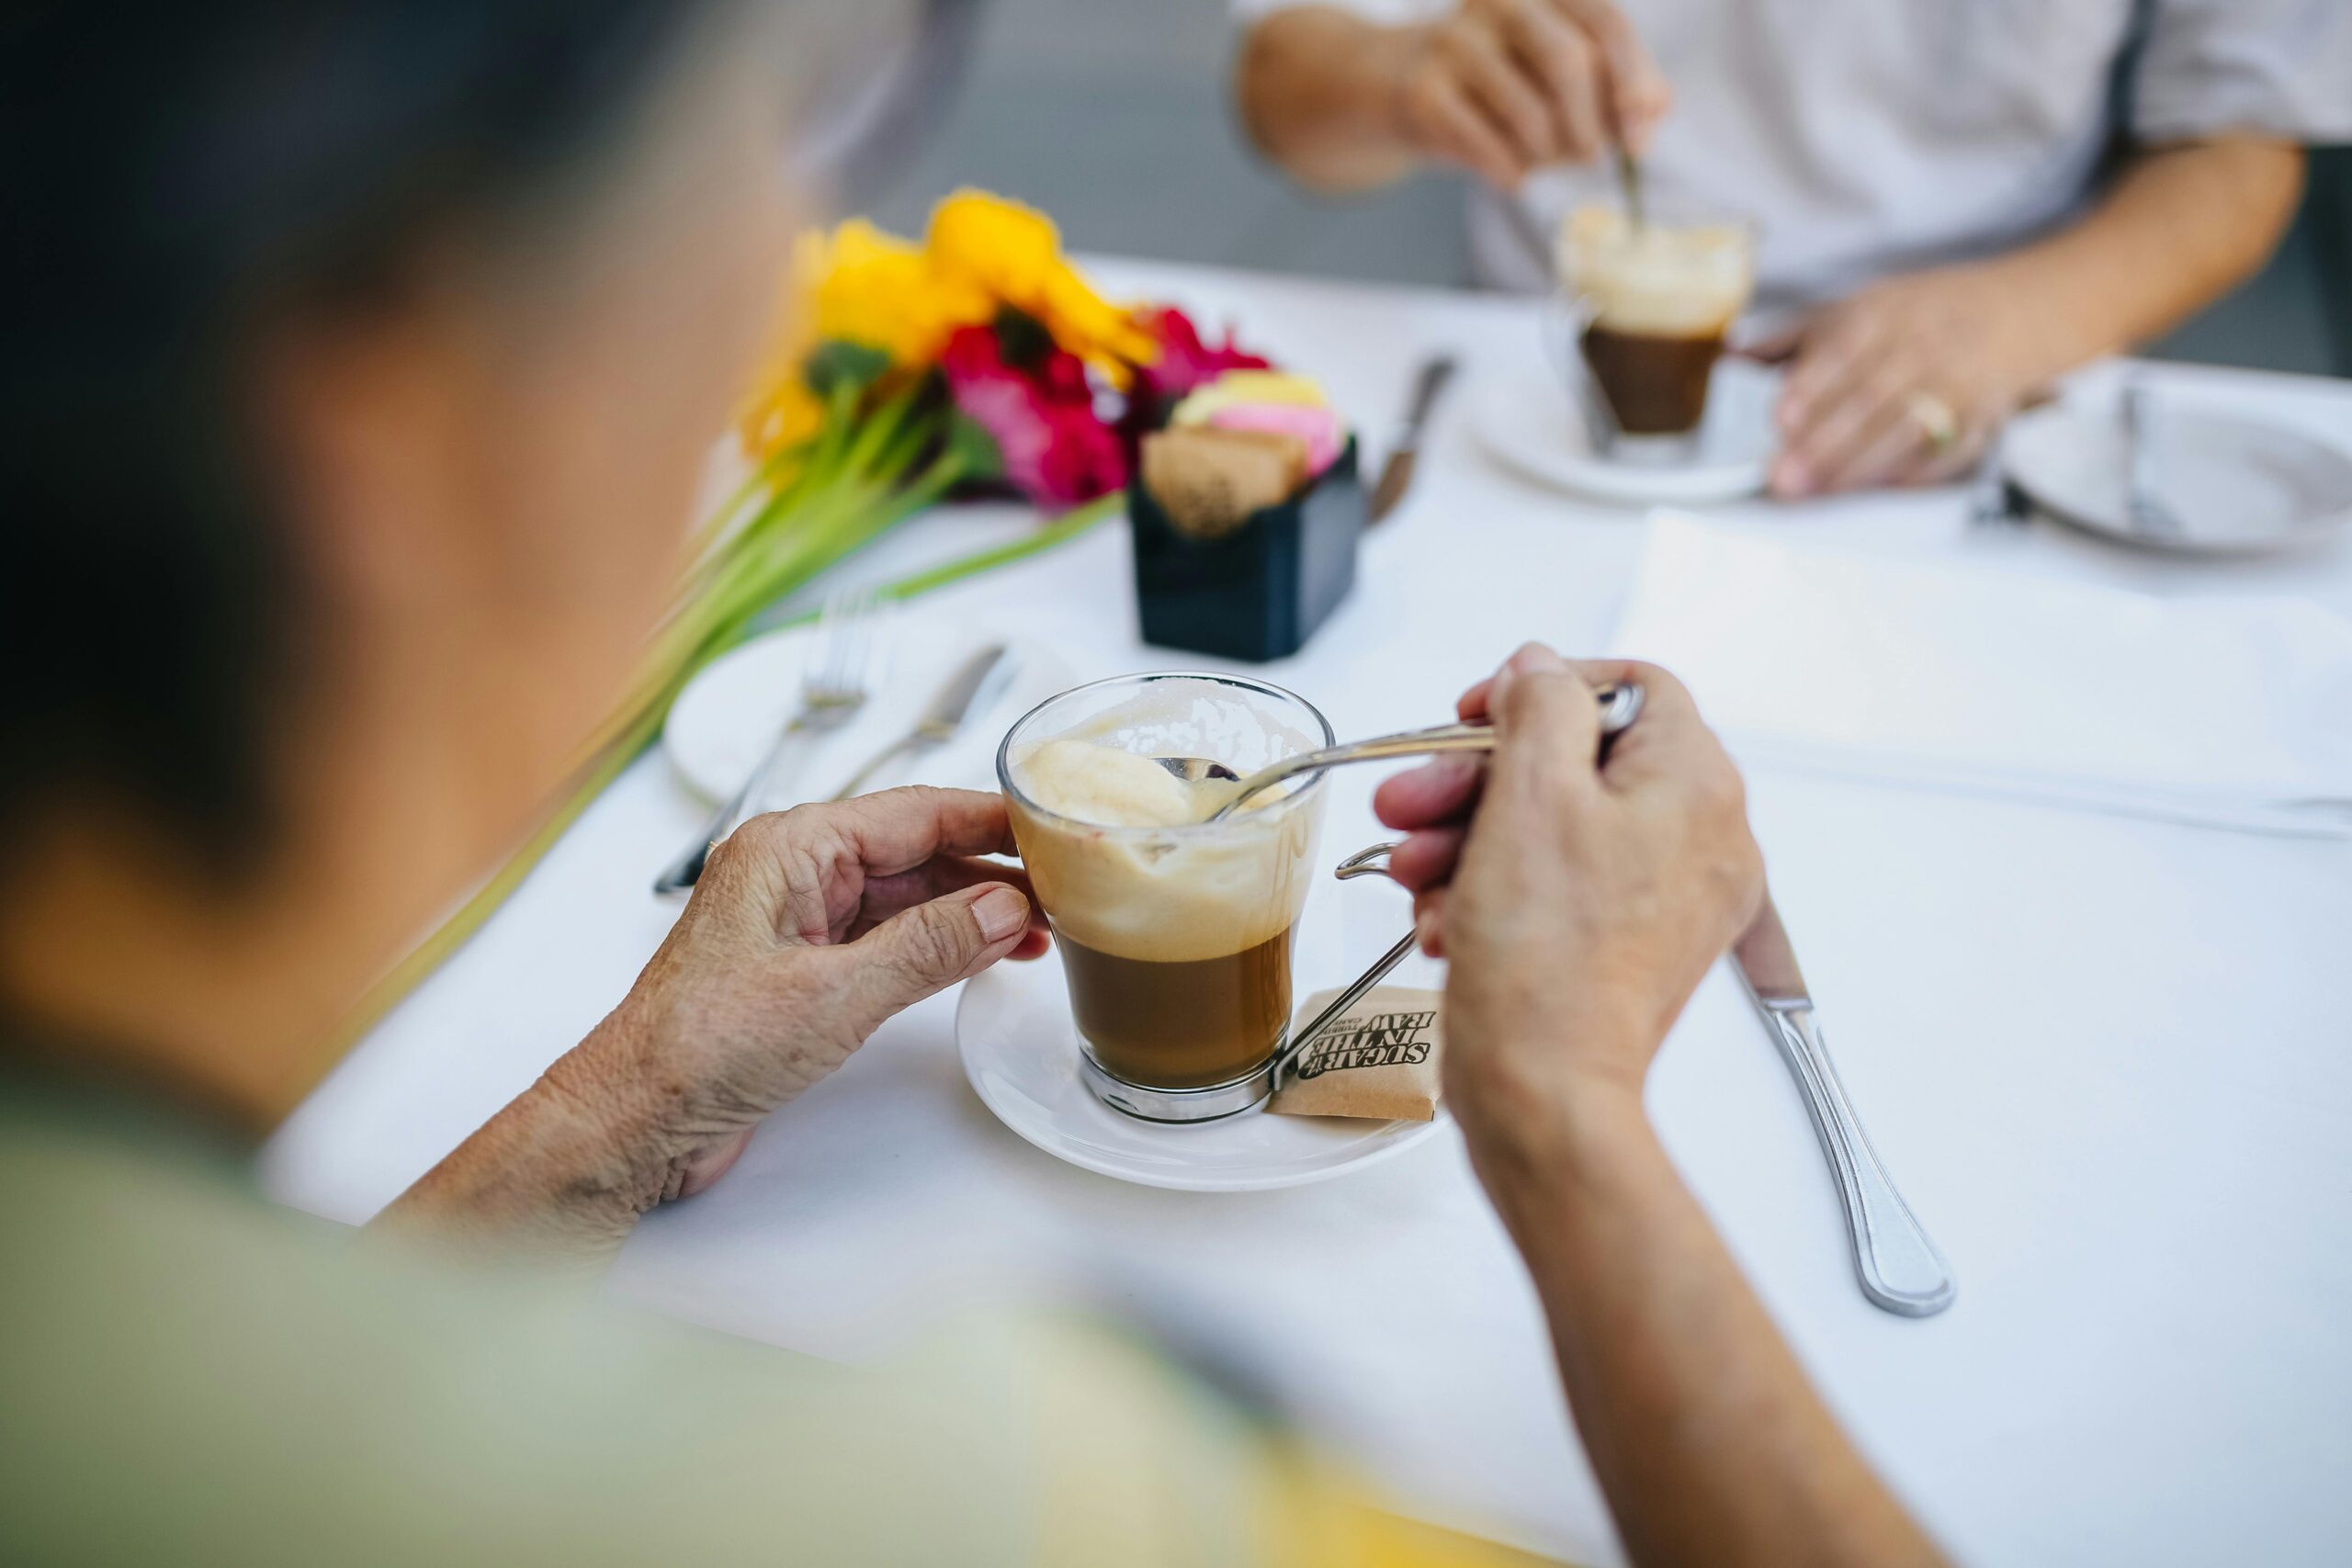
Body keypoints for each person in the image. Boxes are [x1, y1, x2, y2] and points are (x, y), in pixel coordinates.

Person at [1, 2, 1946, 1563]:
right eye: (778, 132)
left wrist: (614, 1112)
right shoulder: (1011, 1490)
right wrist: (1567, 1112)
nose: (776, 291)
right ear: (385, 401)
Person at [1233, 0, 2352, 496]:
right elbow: (1281, 87)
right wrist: (1408, 77)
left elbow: (2242, 144)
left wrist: (2022, 318)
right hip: (1534, 388)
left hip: (1978, 411)